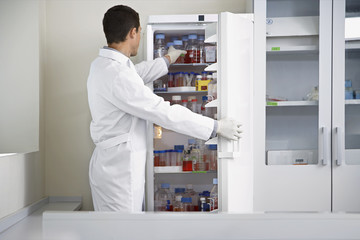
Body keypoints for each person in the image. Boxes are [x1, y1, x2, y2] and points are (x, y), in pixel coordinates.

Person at [87, 5, 242, 212]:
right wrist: (215, 126)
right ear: (133, 32)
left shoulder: (105, 65)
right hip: (119, 173)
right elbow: (162, 111)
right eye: (140, 33)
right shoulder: (117, 74)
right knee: (120, 231)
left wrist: (167, 59)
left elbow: (134, 75)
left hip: (113, 166)